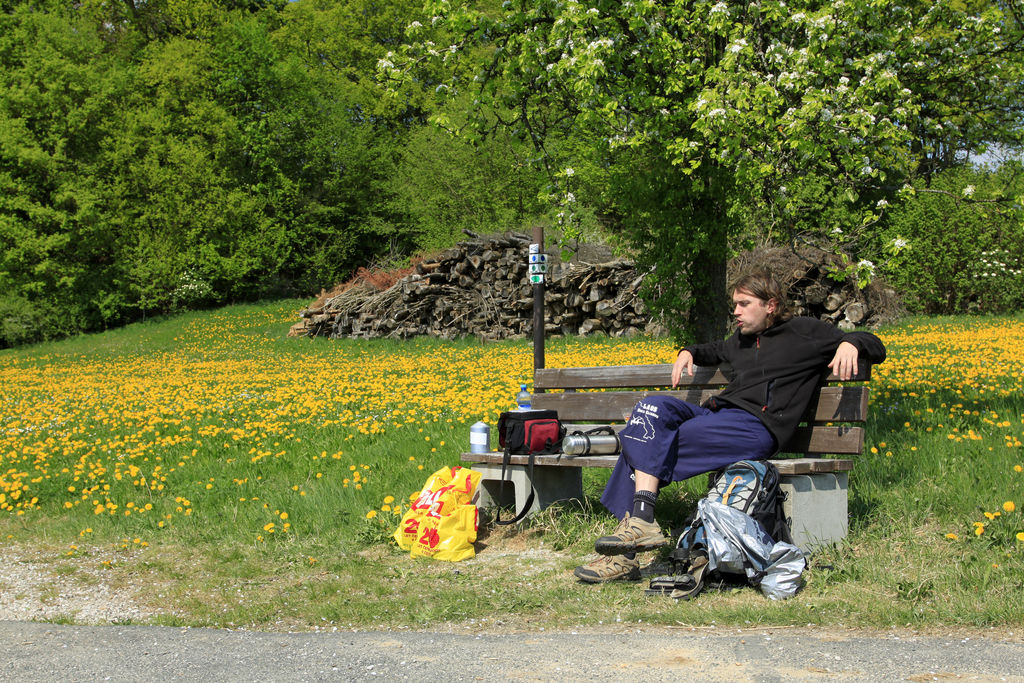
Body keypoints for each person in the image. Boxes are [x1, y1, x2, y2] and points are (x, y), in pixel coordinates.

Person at [574, 269, 887, 583]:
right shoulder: (741, 340)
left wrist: (851, 344)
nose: (735, 311)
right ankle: (641, 523)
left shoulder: (804, 332)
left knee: (644, 441)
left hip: (756, 427)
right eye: (734, 304)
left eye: (744, 303)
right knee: (649, 412)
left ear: (771, 305)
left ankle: (626, 555)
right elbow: (714, 350)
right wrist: (689, 351)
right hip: (718, 418)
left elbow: (875, 344)